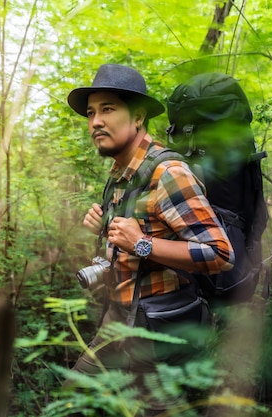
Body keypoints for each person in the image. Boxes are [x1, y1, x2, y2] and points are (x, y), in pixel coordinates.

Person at [64, 64, 235, 416]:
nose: (95, 121)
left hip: (157, 327)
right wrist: (101, 229)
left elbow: (220, 254)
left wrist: (142, 243)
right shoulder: (121, 173)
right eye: (91, 112)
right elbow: (130, 239)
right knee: (73, 400)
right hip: (119, 317)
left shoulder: (168, 174)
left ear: (138, 116)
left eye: (108, 109)